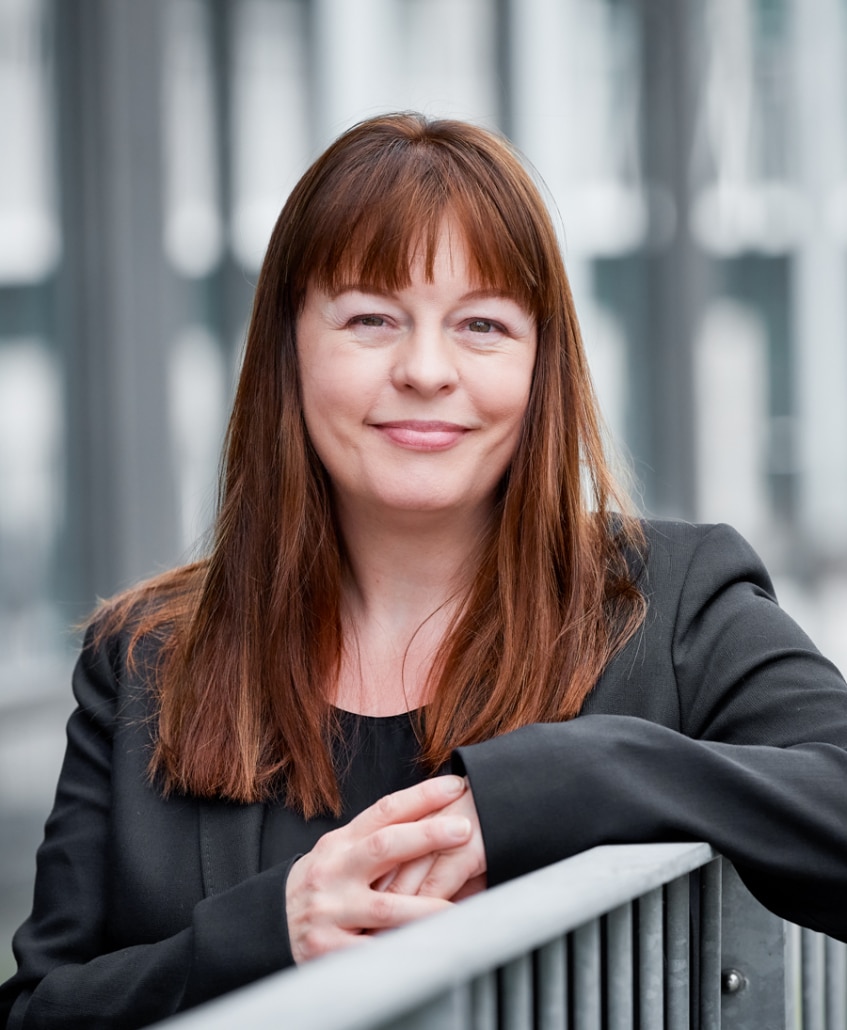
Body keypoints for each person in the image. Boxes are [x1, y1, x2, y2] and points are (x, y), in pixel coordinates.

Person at [3, 111, 847, 1029]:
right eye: (371, 318)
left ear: (540, 364)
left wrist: (569, 780)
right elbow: (40, 1011)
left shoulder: (670, 601)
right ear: (288, 349)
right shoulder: (145, 657)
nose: (426, 370)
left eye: (482, 324)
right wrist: (268, 935)